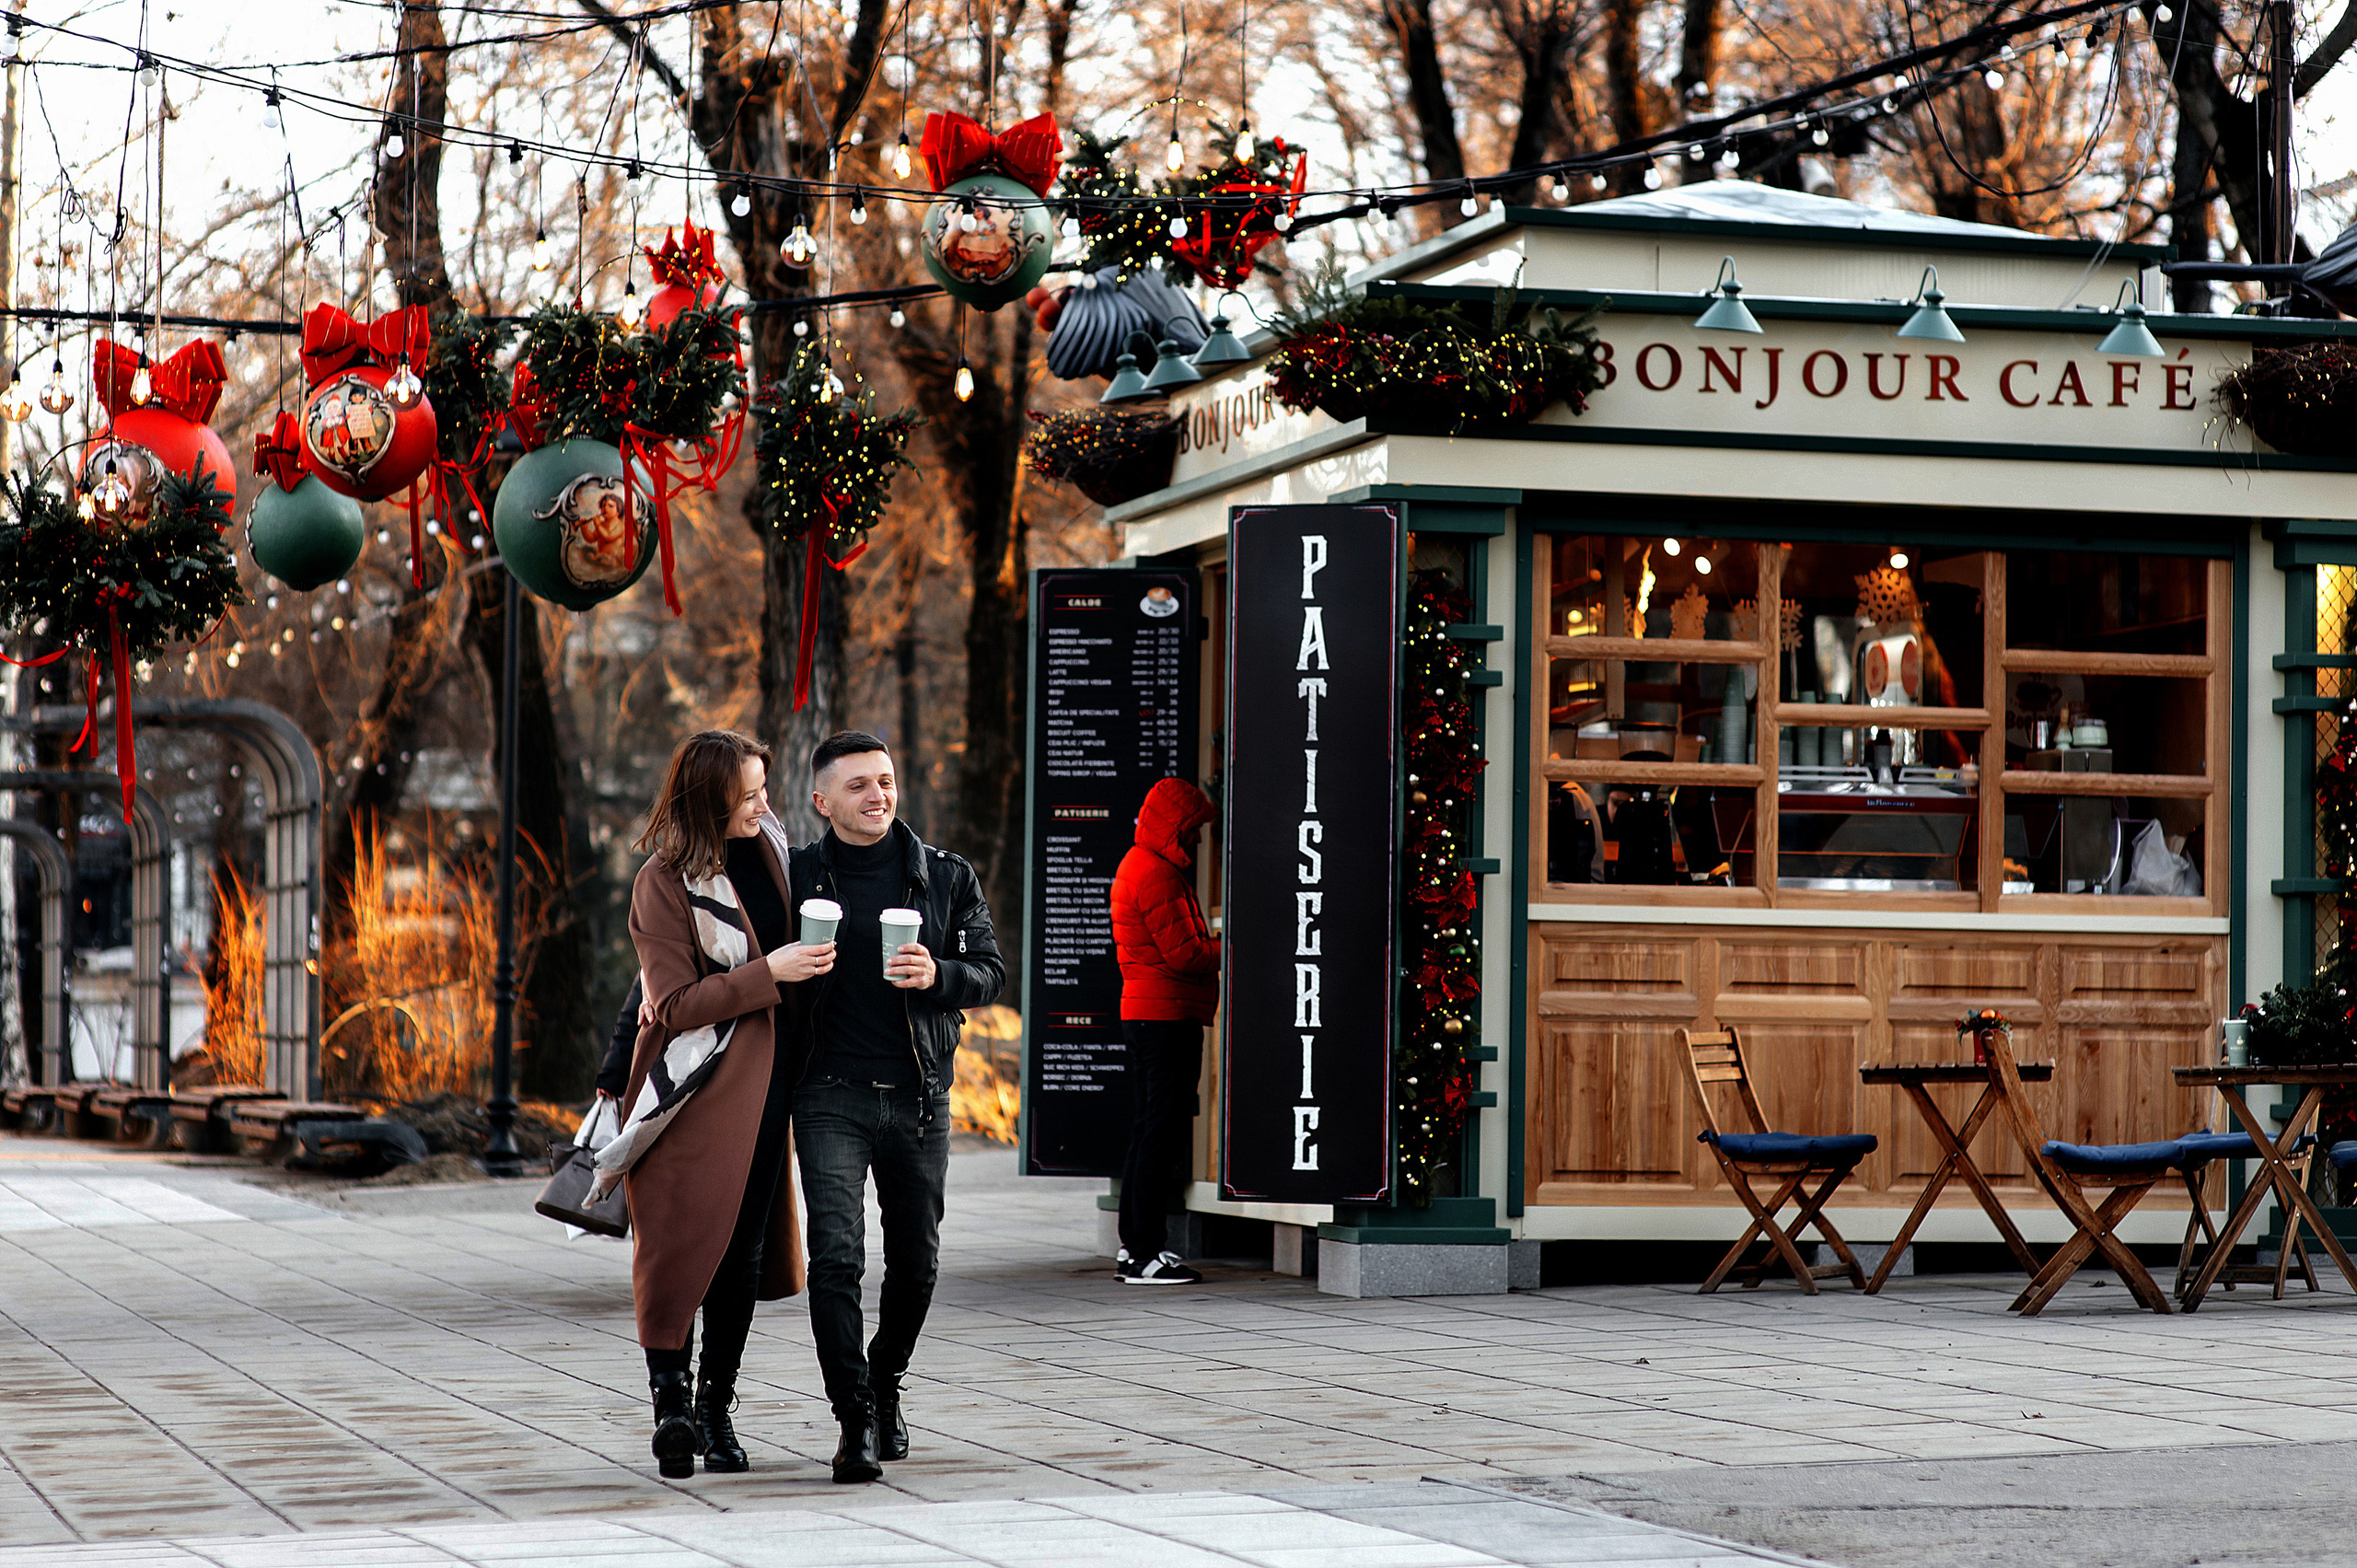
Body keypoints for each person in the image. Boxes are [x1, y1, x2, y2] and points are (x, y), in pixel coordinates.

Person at [609, 729, 835, 1479]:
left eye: (764, 788)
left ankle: (715, 1408)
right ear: (709, 799)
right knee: (677, 1250)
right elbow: (671, 1002)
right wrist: (769, 971)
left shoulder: (774, 852)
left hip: (770, 1085)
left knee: (741, 1250)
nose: (764, 804)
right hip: (691, 1090)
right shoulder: (663, 881)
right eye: (748, 793)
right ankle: (670, 1405)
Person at [787, 731, 1003, 1484]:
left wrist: (937, 972)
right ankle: (853, 1420)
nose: (878, 795)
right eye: (858, 785)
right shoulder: (795, 878)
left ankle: (885, 1380)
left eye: (885, 780)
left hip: (920, 1096)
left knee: (916, 1264)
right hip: (827, 1096)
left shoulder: (944, 876)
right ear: (822, 800)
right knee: (837, 1259)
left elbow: (989, 971)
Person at [1107, 777, 1220, 1285]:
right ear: (1175, 825)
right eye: (1192, 828)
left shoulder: (1148, 866)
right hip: (1164, 1018)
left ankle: (1136, 1247)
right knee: (1159, 1133)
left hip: (1151, 1014)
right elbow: (1188, 954)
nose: (1197, 838)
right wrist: (1238, 946)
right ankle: (1143, 1252)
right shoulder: (1156, 874)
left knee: (1147, 1131)